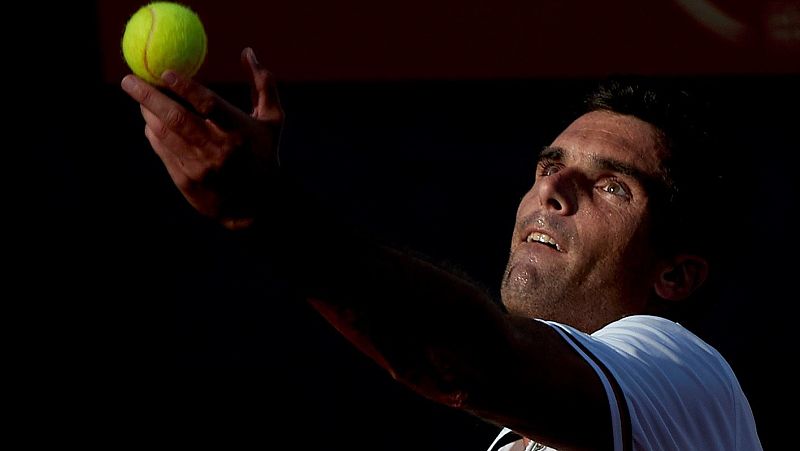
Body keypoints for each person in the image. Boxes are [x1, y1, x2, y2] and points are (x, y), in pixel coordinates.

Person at [120, 47, 762, 450]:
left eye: (614, 187)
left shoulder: (685, 374)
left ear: (675, 274)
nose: (552, 191)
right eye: (549, 165)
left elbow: (470, 359)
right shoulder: (533, 432)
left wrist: (267, 213)